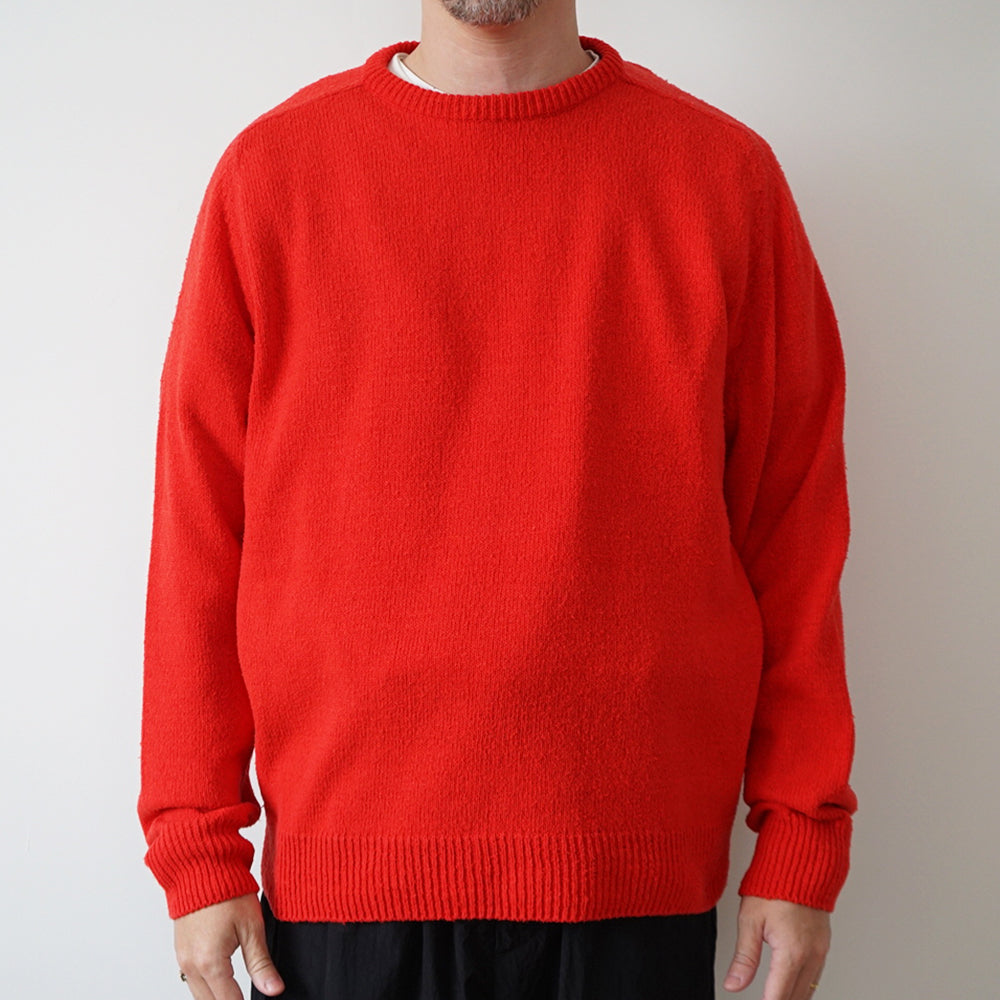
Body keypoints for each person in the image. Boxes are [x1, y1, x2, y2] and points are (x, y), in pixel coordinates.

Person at [136, 0, 858, 997]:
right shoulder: (275, 174)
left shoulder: (722, 177)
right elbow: (200, 528)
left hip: (629, 870)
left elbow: (794, 527)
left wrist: (801, 828)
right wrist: (196, 841)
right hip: (349, 874)